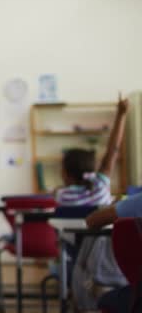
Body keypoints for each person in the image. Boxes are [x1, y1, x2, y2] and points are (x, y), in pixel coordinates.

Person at [54, 96, 129, 311]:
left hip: (74, 257)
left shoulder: (62, 196)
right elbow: (113, 150)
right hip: (110, 260)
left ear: (66, 174)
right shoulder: (101, 187)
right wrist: (121, 114)